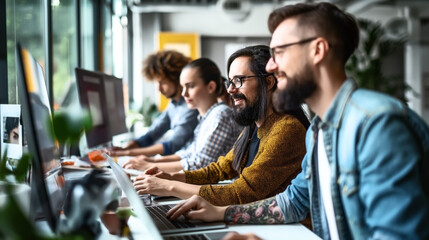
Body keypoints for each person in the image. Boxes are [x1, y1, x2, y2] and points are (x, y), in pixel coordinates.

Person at [165, 3, 429, 240]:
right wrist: (222, 213)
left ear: (317, 50)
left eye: (279, 52)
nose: (270, 67)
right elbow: (293, 202)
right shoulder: (317, 130)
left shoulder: (377, 125)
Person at [132, 45, 310, 208]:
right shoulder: (254, 126)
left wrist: (169, 187)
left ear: (269, 83)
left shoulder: (287, 129)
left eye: (239, 80)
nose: (231, 90)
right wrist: (172, 177)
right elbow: (221, 169)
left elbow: (241, 193)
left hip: (288, 229)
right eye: (230, 82)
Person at [122, 58, 242, 172]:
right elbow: (189, 152)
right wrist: (153, 160)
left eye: (190, 86)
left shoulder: (221, 114)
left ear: (211, 87)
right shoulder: (206, 117)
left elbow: (201, 163)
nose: (184, 93)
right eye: (183, 87)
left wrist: (151, 165)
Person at [109, 50, 199, 157]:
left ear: (177, 79)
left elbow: (173, 145)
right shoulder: (174, 104)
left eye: (163, 82)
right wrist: (128, 147)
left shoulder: (190, 106)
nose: (159, 89)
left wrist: (127, 153)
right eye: (157, 82)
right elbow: (153, 134)